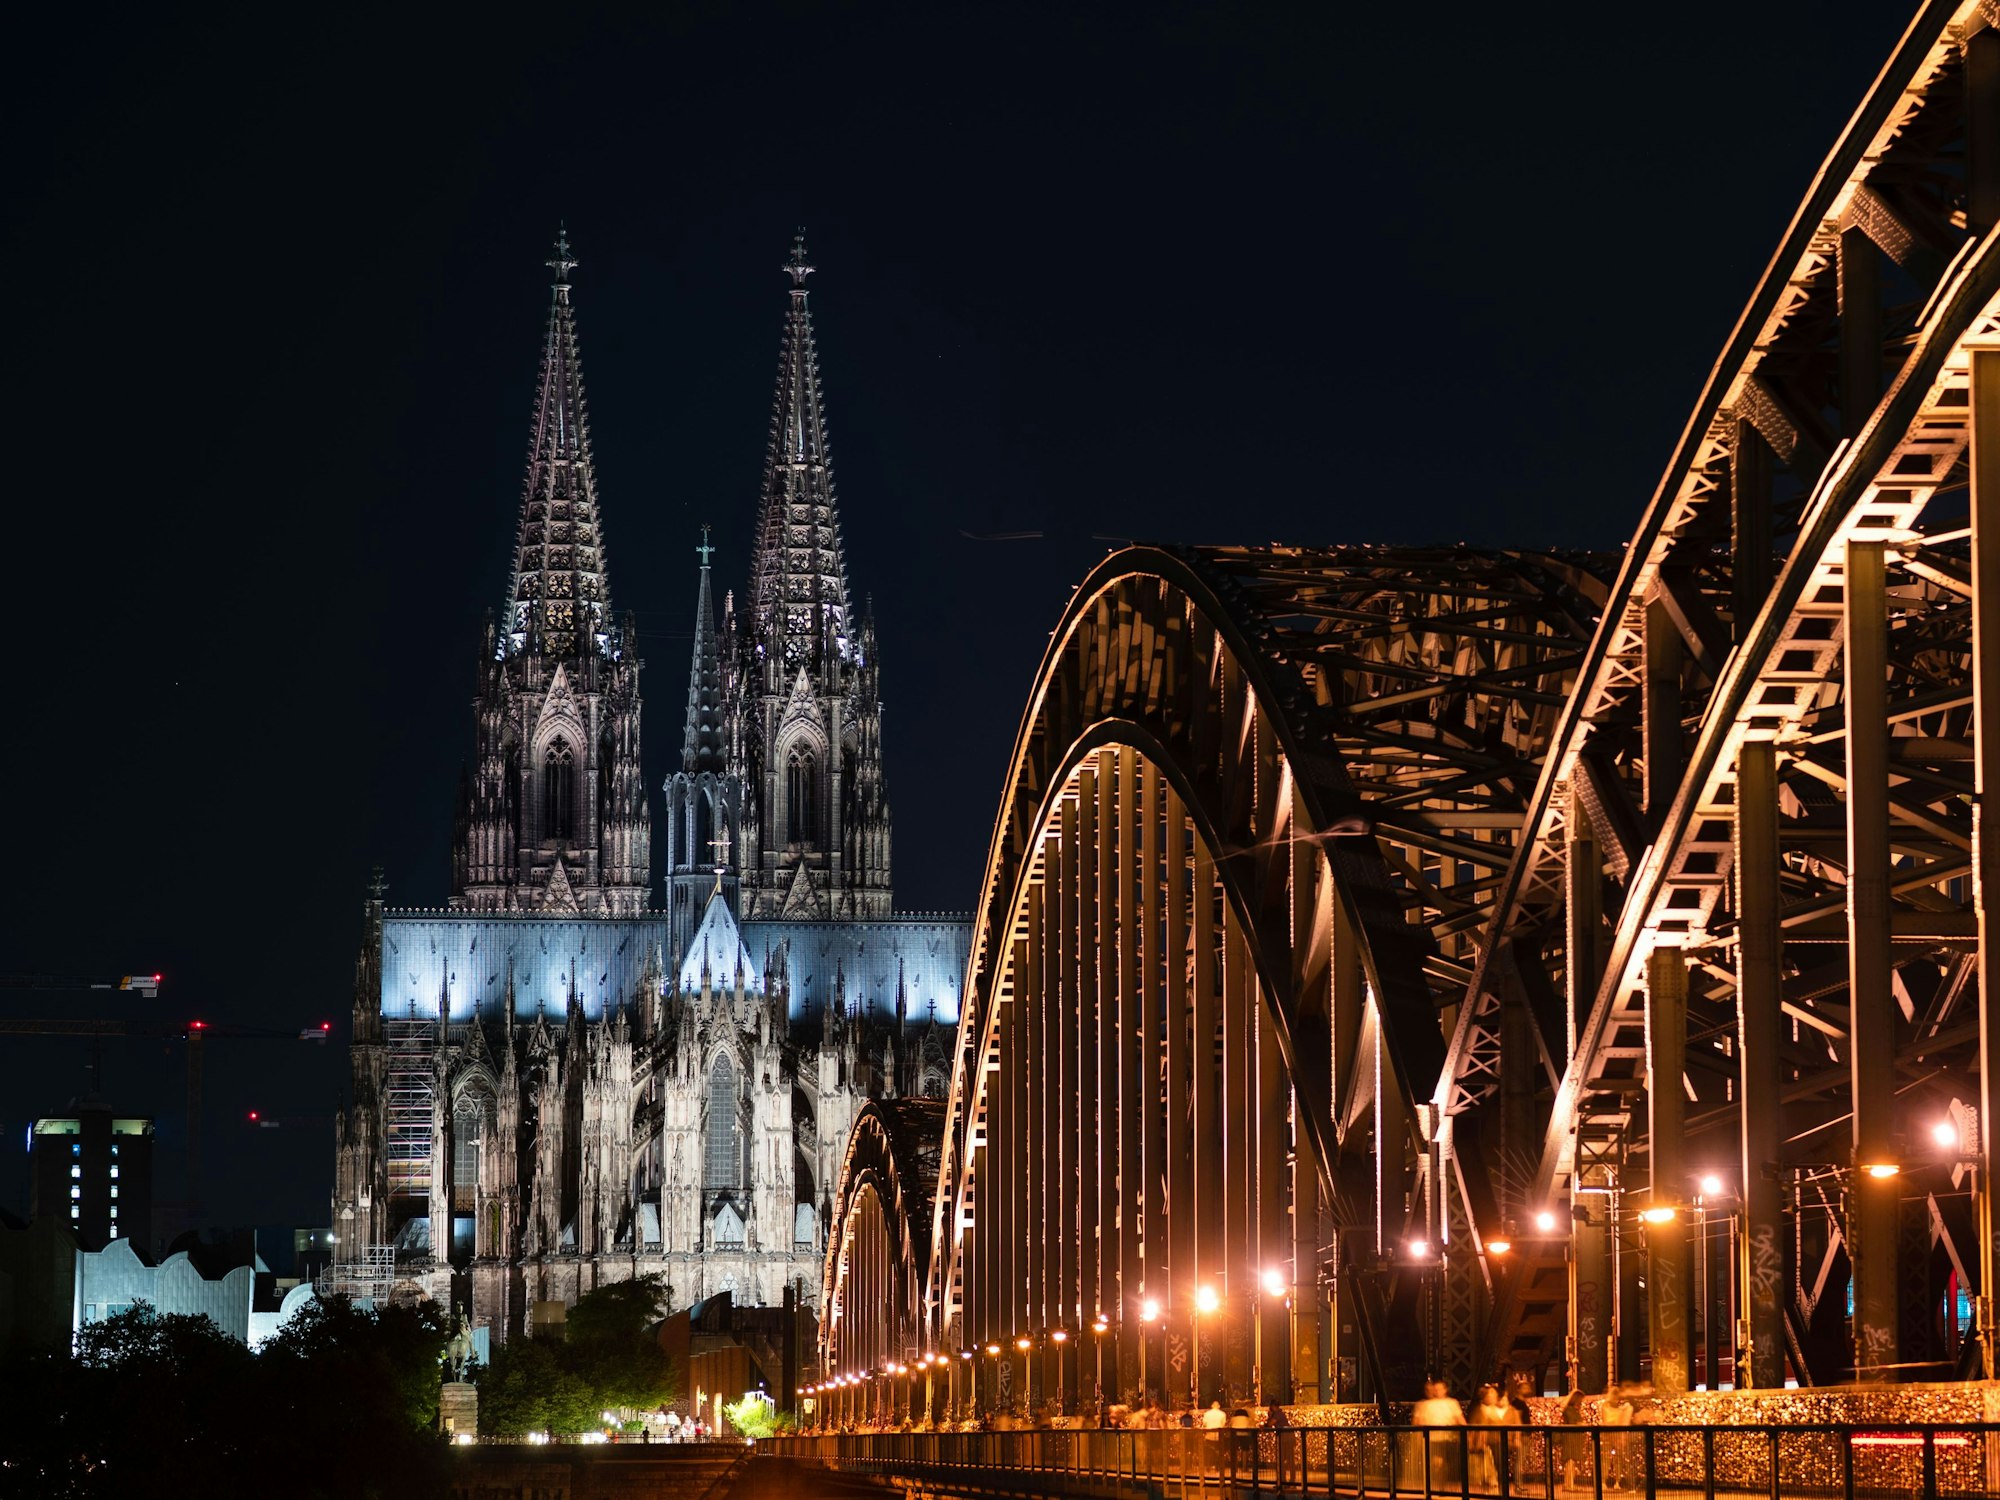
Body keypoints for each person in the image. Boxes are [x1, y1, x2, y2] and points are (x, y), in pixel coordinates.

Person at [1410, 1379, 1466, 1491]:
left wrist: (1466, 1432)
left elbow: (1460, 1420)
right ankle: (1437, 1486)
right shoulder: (1424, 1404)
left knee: (1445, 1464)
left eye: (1440, 1389)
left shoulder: (1452, 1403)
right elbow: (1417, 1422)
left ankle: (1440, 1485)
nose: (1437, 1391)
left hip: (1449, 1438)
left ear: (1445, 1390)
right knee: (1438, 1463)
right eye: (1436, 1389)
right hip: (1433, 1439)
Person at [1599, 1382, 1634, 1491]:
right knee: (1606, 1459)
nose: (1616, 1400)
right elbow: (1608, 1420)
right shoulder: (1606, 1406)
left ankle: (1617, 1481)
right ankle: (1603, 1481)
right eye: (1615, 1397)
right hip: (1608, 1436)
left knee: (1618, 1459)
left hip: (1617, 1436)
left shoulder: (1619, 1407)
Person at [1559, 1385, 1589, 1493]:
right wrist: (1582, 1424)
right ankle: (1569, 1485)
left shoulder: (1570, 1409)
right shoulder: (1570, 1410)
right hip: (1571, 1438)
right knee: (1570, 1462)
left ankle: (1568, 1484)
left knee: (1570, 1463)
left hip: (1572, 1438)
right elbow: (1573, 1422)